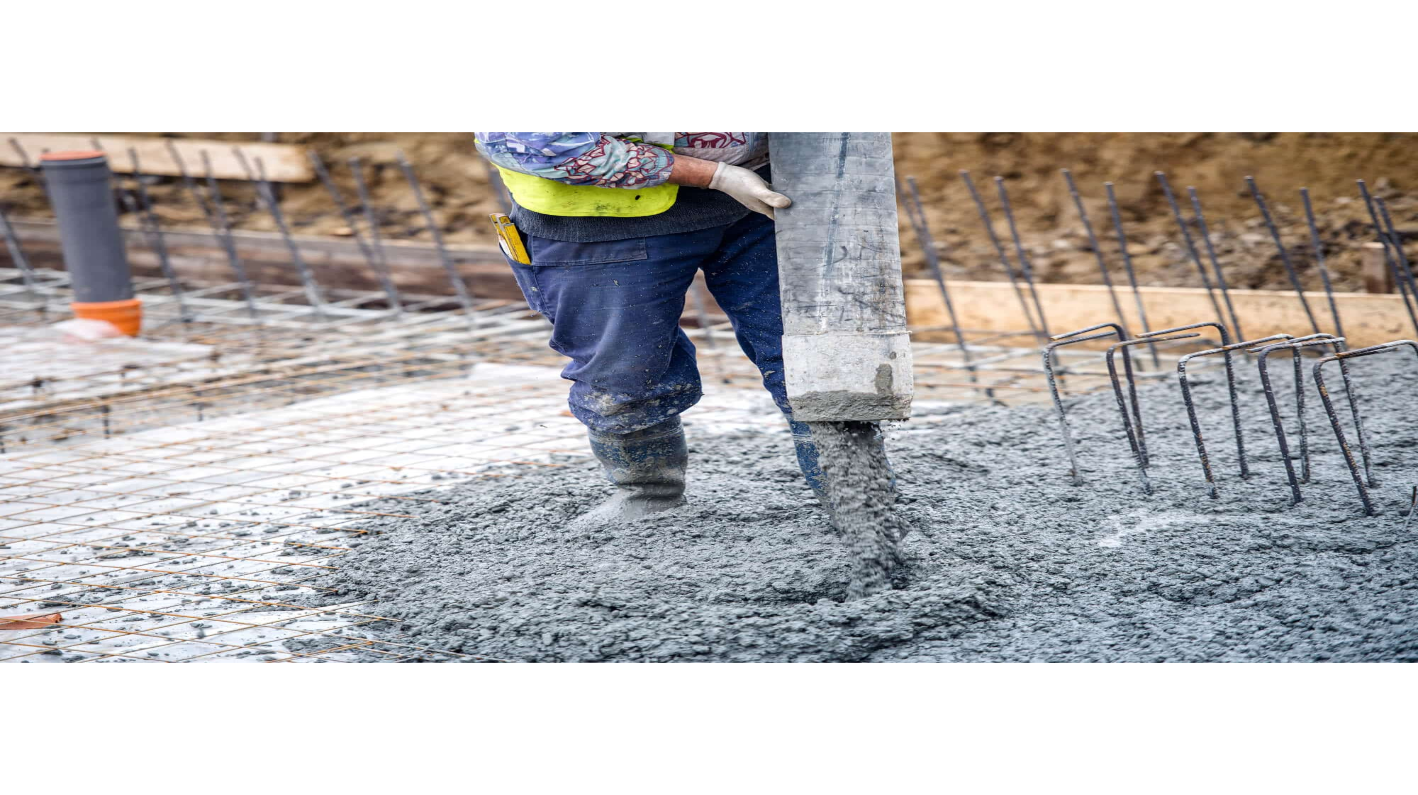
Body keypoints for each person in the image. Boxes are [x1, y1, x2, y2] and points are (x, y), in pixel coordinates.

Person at [475, 132, 829, 525]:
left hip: (763, 199)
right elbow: (543, 144)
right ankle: (649, 493)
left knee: (813, 349)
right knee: (623, 366)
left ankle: (854, 490)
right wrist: (716, 176)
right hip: (601, 219)